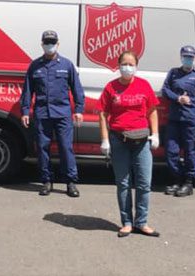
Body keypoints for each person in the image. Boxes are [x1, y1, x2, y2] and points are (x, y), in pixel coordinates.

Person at [98, 51, 161, 238]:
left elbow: (152, 111)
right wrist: (104, 139)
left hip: (141, 142)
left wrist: (156, 134)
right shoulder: (111, 87)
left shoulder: (144, 85)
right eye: (124, 63)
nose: (127, 67)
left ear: (136, 66)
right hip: (119, 141)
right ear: (118, 66)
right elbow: (103, 114)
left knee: (144, 183)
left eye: (131, 64)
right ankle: (126, 222)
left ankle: (141, 222)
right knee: (123, 183)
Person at [20, 30, 85, 197]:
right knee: (42, 148)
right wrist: (25, 111)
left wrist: (78, 110)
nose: (50, 45)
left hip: (63, 114)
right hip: (42, 114)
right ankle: (46, 181)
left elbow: (77, 89)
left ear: (58, 44)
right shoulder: (35, 66)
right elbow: (27, 91)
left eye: (52, 42)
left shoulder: (67, 65)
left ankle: (71, 182)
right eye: (47, 42)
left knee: (66, 148)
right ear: (42, 44)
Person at [161, 45, 195, 197]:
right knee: (171, 151)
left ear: (194, 58)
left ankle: (188, 183)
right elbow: (165, 90)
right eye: (185, 56)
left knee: (191, 152)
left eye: (190, 57)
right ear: (181, 57)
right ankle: (176, 180)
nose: (188, 59)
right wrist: (177, 98)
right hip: (175, 119)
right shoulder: (173, 73)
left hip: (191, 120)